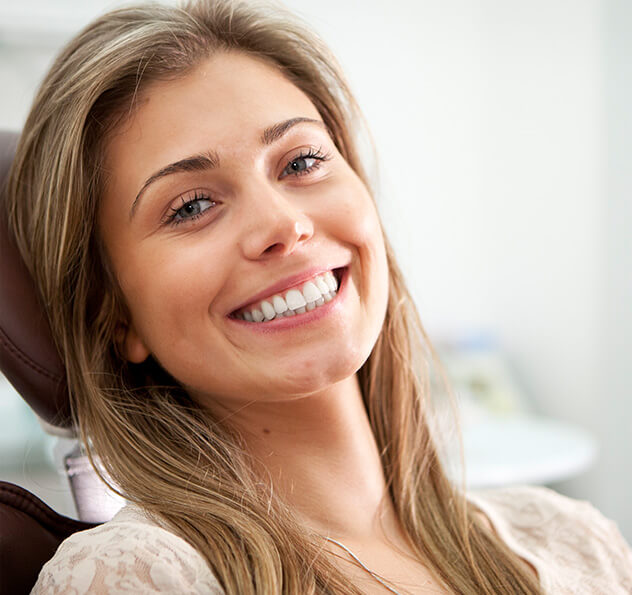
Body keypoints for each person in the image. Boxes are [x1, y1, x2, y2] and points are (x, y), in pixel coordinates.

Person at [5, 1, 631, 593]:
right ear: (112, 315)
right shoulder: (136, 577)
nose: (283, 224)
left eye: (301, 162)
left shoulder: (574, 541)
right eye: (193, 205)